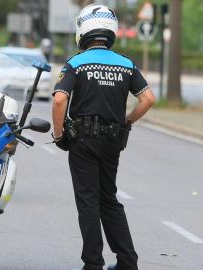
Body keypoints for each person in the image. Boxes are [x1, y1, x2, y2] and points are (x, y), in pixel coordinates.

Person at [51, 4, 155, 270]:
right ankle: (127, 262)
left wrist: (59, 133)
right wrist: (127, 122)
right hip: (112, 141)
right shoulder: (126, 64)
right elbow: (148, 98)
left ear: (82, 30)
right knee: (108, 199)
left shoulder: (76, 62)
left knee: (88, 201)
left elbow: (60, 100)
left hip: (83, 141)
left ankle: (93, 264)